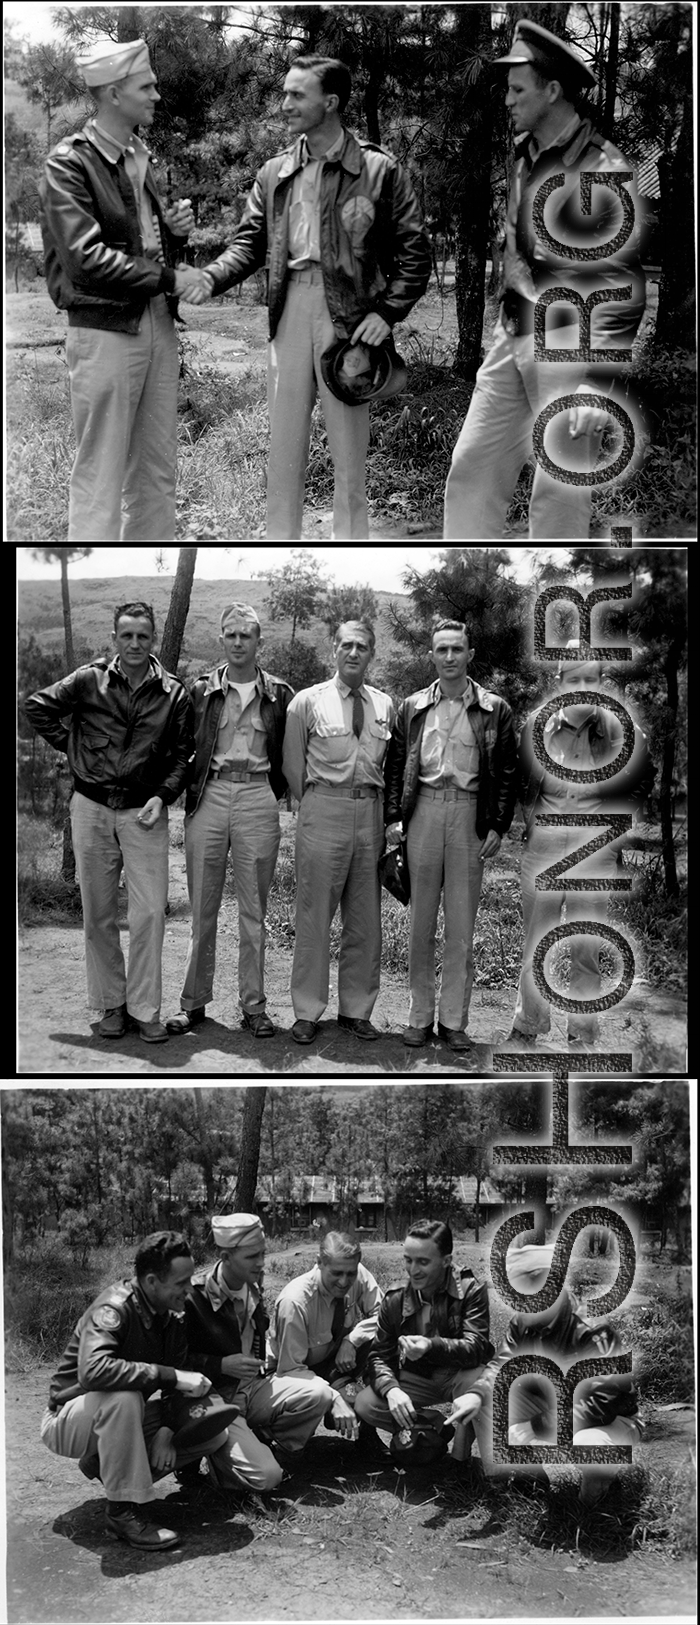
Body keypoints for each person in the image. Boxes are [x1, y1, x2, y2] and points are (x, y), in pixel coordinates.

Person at [180, 54, 431, 539]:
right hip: (289, 312)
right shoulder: (274, 173)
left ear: (330, 102)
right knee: (283, 455)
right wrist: (208, 279)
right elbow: (250, 243)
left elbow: (416, 254)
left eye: (297, 94)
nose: (285, 104)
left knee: (349, 462)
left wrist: (387, 312)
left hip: (350, 321)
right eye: (285, 93)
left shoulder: (378, 170)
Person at [443, 19, 646, 539]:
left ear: (552, 90)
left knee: (558, 493)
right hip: (512, 336)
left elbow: (622, 284)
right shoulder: (523, 155)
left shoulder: (601, 166)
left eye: (517, 89)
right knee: (472, 468)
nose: (507, 101)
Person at [38, 38, 211, 542]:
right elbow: (85, 258)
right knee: (102, 473)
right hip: (105, 329)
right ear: (114, 94)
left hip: (155, 319)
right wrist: (169, 277)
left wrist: (171, 232)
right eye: (147, 86)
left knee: (157, 473)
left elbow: (134, 239)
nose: (157, 94)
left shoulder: (138, 154)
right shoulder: (68, 163)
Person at [24, 602, 193, 1044]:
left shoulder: (174, 693)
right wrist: (74, 748)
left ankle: (144, 1009)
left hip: (144, 811)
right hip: (92, 807)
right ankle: (111, 1007)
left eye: (142, 635)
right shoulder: (88, 679)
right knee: (98, 915)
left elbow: (183, 756)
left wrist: (162, 796)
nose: (134, 643)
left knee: (150, 913)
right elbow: (36, 706)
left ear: (153, 639)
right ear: (114, 638)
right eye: (126, 635)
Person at [40, 1232, 239, 1550]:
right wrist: (169, 1376)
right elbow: (93, 1371)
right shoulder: (114, 1308)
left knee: (212, 1432)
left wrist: (165, 1430)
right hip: (67, 1420)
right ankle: (122, 1513)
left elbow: (178, 1380)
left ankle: (106, 1463)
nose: (189, 1290)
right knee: (125, 1397)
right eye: (181, 1282)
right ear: (150, 1281)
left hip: (113, 1416)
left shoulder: (171, 1317)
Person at [508, 652, 655, 1049]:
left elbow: (645, 775)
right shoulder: (536, 726)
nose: (582, 687)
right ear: (560, 681)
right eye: (574, 679)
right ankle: (528, 1024)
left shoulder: (620, 728)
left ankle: (582, 1034)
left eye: (591, 679)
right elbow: (519, 774)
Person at [384, 620, 518, 1052]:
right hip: (422, 811)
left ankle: (454, 1021)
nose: (448, 657)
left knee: (461, 926)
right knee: (420, 922)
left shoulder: (495, 709)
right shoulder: (413, 706)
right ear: (431, 656)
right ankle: (418, 1017)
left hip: (468, 816)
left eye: (456, 649)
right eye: (441, 650)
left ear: (469, 654)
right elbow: (397, 763)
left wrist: (498, 824)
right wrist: (393, 817)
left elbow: (507, 771)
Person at [166, 604, 292, 1039]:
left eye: (247, 635)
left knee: (253, 911)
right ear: (222, 639)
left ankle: (254, 1007)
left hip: (258, 795)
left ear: (259, 641)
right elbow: (181, 748)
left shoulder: (280, 692)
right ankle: (192, 1004)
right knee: (202, 907)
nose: (239, 642)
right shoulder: (200, 691)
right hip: (210, 795)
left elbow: (288, 755)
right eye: (231, 635)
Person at [448, 1243, 643, 1508]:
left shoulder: (592, 1330)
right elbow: (499, 1365)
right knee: (485, 1396)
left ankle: (597, 1507)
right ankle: (526, 1480)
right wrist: (474, 1394)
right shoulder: (523, 1322)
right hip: (555, 1405)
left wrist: (536, 1426)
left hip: (609, 1418)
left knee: (588, 1447)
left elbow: (600, 1404)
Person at [282, 619, 395, 1045]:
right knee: (314, 916)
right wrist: (316, 806)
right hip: (323, 809)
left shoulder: (385, 705)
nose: (353, 653)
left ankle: (356, 1010)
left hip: (370, 813)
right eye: (346, 645)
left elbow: (391, 764)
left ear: (371, 654)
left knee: (365, 919)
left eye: (362, 646)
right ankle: (308, 1010)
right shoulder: (306, 702)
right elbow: (293, 768)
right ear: (334, 649)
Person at [183, 1214, 332, 1491]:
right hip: (215, 1400)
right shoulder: (193, 1297)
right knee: (267, 1478)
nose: (262, 1262)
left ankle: (266, 1446)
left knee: (319, 1394)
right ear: (226, 1256)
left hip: (252, 1389)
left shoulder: (252, 1286)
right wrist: (220, 1365)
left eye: (262, 1253)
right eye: (252, 1256)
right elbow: (173, 1363)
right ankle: (218, 1458)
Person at [354, 1221, 493, 1449]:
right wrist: (392, 1390)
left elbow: (476, 1347)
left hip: (461, 1373)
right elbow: (379, 1356)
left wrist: (430, 1346)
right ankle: (435, 1428)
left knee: (485, 1387)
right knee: (366, 1404)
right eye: (408, 1260)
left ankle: (499, 1472)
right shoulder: (395, 1299)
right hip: (420, 1377)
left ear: (446, 1261)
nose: (413, 1270)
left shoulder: (470, 1290)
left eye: (423, 1262)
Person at [269, 1231, 383, 1439]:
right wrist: (334, 1398)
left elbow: (384, 1316)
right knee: (332, 1399)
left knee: (380, 1342)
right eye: (337, 1273)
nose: (344, 1281)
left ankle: (368, 1435)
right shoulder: (295, 1302)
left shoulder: (356, 1273)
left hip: (331, 1363)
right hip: (290, 1373)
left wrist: (352, 1340)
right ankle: (278, 1438)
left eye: (350, 1273)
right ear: (319, 1262)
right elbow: (290, 1369)